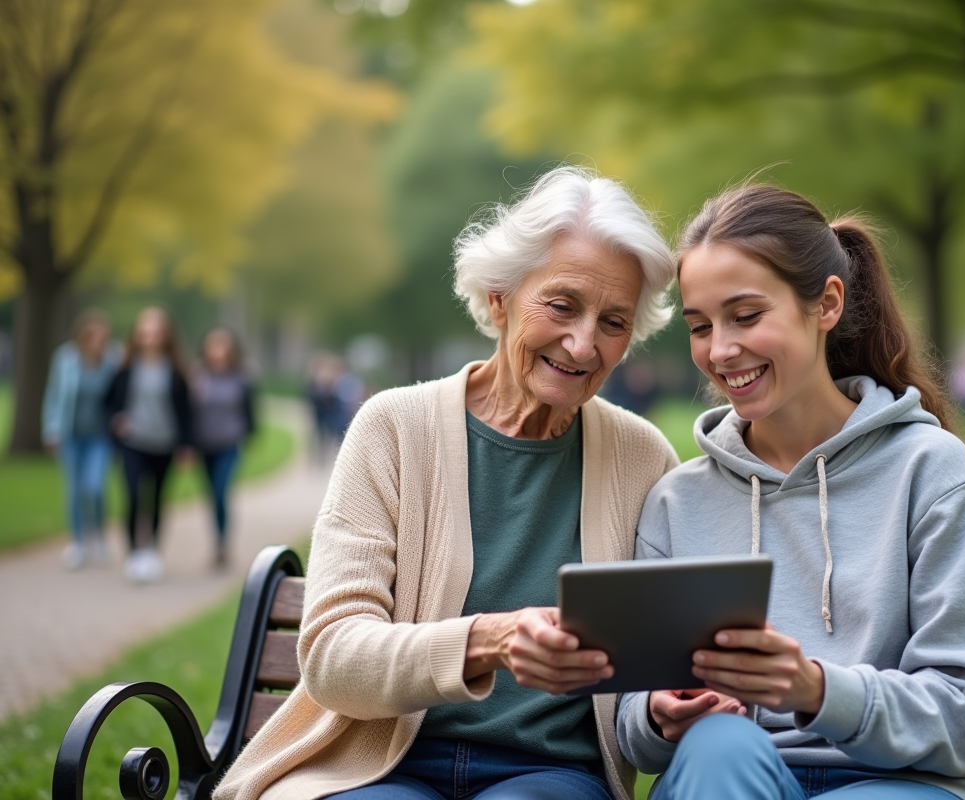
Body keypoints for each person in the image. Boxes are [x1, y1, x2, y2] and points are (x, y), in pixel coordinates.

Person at [214, 166, 679, 800]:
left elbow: (659, 650)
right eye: (563, 305)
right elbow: (331, 656)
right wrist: (488, 641)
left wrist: (671, 699)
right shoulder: (393, 428)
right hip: (379, 762)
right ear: (498, 297)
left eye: (614, 322)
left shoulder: (642, 456)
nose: (582, 343)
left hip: (549, 775)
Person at [616, 185, 965, 800]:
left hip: (911, 781)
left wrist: (814, 689)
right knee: (716, 748)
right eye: (701, 326)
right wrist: (659, 712)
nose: (721, 350)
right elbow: (633, 729)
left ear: (826, 303)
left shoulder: (930, 471)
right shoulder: (678, 502)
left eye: (747, 315)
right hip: (738, 778)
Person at [103, 306, 193, 584]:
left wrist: (186, 445)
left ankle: (151, 551)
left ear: (165, 336)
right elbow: (108, 403)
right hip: (134, 442)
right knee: (132, 496)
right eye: (145, 333)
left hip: (165, 444)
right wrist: (117, 420)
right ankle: (133, 553)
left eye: (155, 333)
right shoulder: (127, 366)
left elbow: (186, 411)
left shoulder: (176, 369)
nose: (150, 338)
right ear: (137, 336)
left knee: (156, 499)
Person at [42, 309, 120, 570]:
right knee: (74, 489)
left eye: (101, 336)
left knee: (94, 487)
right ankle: (77, 541)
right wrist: (50, 429)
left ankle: (97, 534)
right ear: (82, 336)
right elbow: (54, 395)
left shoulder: (113, 360)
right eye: (92, 336)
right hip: (71, 434)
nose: (97, 341)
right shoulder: (65, 359)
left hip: (100, 436)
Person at [193, 327, 256, 569]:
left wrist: (251, 433)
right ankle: (216, 539)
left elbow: (249, 407)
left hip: (230, 442)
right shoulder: (198, 375)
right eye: (214, 346)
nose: (218, 351)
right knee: (211, 496)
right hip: (204, 443)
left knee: (221, 491)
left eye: (223, 346)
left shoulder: (242, 376)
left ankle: (222, 543)